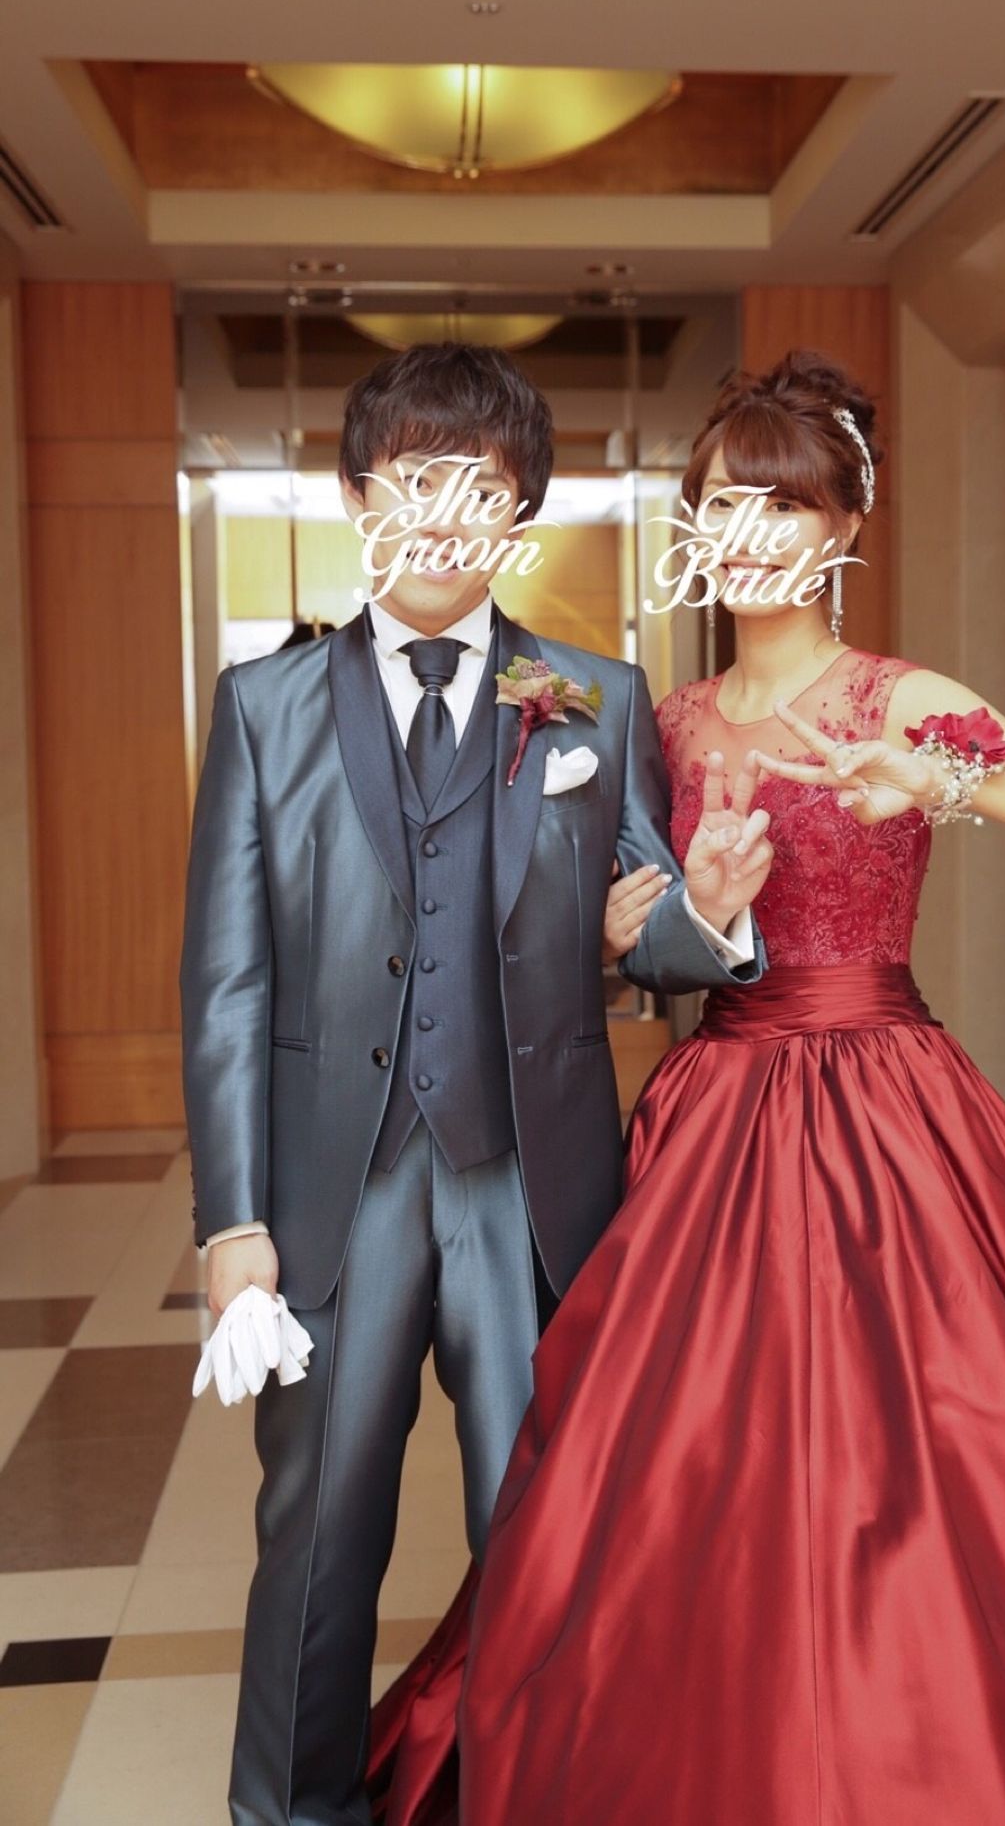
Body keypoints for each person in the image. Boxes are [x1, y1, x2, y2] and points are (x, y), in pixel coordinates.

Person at [367, 350, 1005, 1826]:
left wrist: (935, 780)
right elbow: (616, 915)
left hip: (889, 1106)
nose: (749, 534)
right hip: (715, 1105)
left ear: (844, 526)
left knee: (954, 1441)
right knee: (674, 1451)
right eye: (723, 503)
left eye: (783, 506)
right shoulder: (658, 718)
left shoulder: (899, 695)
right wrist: (629, 926)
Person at [177, 341, 773, 1826]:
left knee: (551, 1533)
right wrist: (233, 1222)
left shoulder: (594, 699)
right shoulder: (264, 707)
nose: (445, 518)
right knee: (318, 1538)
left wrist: (709, 912)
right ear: (356, 495)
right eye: (415, 481)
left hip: (530, 1189)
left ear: (523, 515)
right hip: (335, 1200)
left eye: (483, 488)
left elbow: (653, 936)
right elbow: (229, 983)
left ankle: (540, 1800)